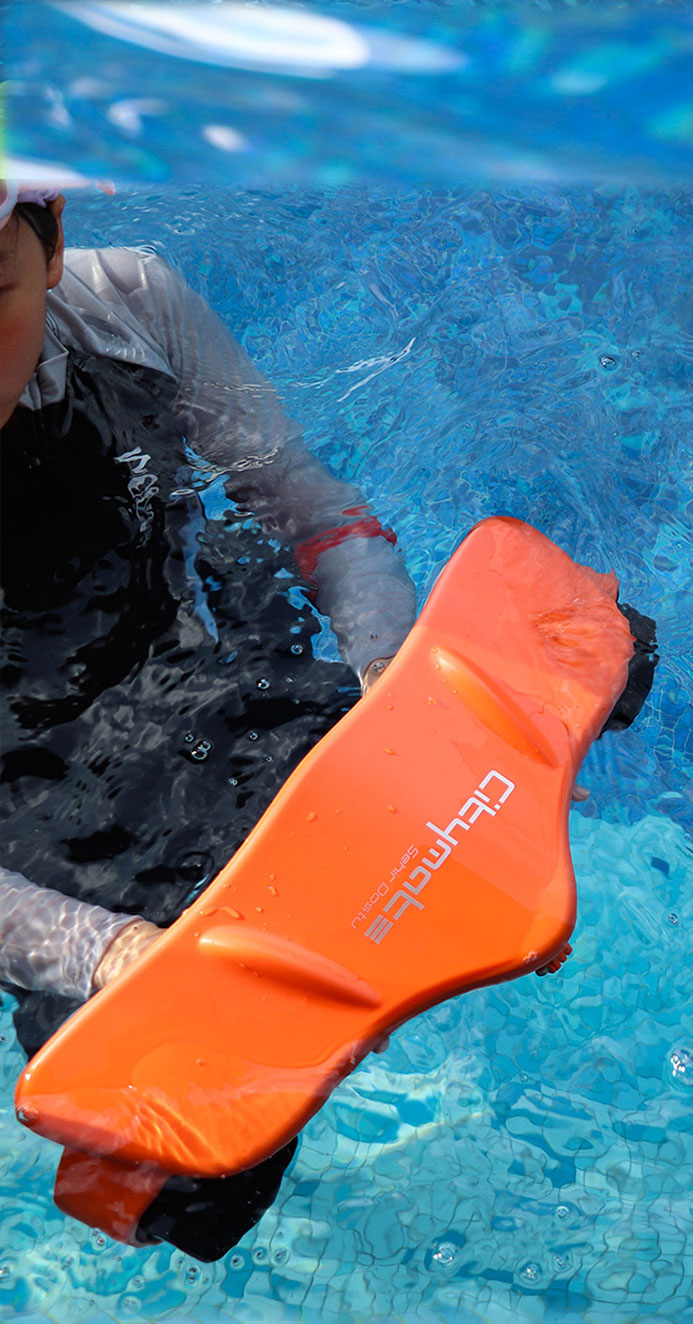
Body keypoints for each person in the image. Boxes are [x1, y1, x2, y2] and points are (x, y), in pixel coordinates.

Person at [1, 183, 418, 1255]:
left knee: (604, 665)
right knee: (186, 1187)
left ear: (52, 241)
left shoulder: (133, 306)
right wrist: (106, 953)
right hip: (23, 816)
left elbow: (318, 515)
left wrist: (396, 683)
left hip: (192, 684)